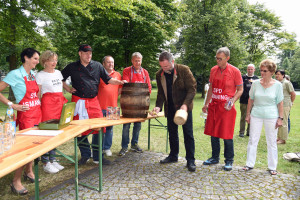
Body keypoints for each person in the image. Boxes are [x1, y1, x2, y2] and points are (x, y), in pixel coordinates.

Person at [62, 44, 124, 165]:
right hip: (78, 101)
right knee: (78, 129)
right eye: (86, 53)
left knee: (99, 128)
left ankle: (98, 156)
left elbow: (108, 79)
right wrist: (68, 88)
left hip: (94, 101)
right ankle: (85, 155)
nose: (89, 55)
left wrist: (120, 82)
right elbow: (60, 78)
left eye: (90, 53)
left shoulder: (97, 66)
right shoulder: (72, 66)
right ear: (80, 53)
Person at [0, 48, 42, 195]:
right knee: (25, 149)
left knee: (35, 146)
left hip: (38, 114)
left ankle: (29, 171)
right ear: (26, 58)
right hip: (26, 116)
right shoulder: (15, 74)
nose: (38, 61)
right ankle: (16, 181)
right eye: (35, 59)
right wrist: (12, 105)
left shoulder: (32, 74)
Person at [152, 51, 197, 172]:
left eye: (166, 66)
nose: (164, 69)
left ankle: (190, 160)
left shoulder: (183, 70)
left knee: (188, 134)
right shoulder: (159, 74)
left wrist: (185, 105)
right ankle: (173, 156)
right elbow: (161, 93)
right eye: (162, 66)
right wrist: (158, 106)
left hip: (183, 109)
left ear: (172, 61)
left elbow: (192, 89)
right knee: (172, 133)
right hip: (170, 107)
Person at [202, 47, 243, 171]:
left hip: (226, 108)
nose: (217, 61)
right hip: (214, 106)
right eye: (216, 58)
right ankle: (215, 157)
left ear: (227, 58)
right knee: (214, 133)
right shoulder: (213, 70)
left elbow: (240, 89)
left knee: (226, 134)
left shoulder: (235, 71)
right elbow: (211, 88)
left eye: (220, 59)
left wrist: (232, 101)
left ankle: (229, 160)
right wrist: (206, 103)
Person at [243, 59, 283, 175]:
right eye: (261, 70)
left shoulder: (278, 85)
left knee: (271, 141)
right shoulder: (255, 83)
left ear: (271, 71)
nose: (262, 73)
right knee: (252, 140)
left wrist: (280, 118)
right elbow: (251, 99)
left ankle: (272, 166)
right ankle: (249, 164)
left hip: (271, 116)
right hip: (256, 115)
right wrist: (248, 115)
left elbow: (280, 103)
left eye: (265, 71)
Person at [36, 50, 68, 173]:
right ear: (45, 61)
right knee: (47, 132)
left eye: (55, 60)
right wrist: (38, 105)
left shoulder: (59, 73)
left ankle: (53, 159)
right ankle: (45, 162)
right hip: (48, 104)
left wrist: (69, 90)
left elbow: (60, 87)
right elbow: (38, 92)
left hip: (59, 103)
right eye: (51, 60)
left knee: (56, 132)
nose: (54, 62)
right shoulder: (40, 75)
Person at [119, 52, 151, 156]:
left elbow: (149, 86)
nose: (137, 62)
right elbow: (127, 84)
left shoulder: (145, 72)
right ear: (132, 61)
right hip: (129, 102)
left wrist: (145, 95)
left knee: (138, 125)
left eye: (139, 60)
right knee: (126, 126)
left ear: (141, 61)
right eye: (135, 60)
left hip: (141, 103)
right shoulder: (127, 70)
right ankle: (124, 147)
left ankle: (134, 144)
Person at [97, 55, 122, 156]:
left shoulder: (118, 74)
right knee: (99, 129)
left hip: (113, 106)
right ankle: (98, 148)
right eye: (108, 62)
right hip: (99, 106)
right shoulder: (98, 74)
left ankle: (107, 148)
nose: (111, 64)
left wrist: (114, 95)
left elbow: (120, 88)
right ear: (103, 64)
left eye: (112, 62)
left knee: (110, 129)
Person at [275, 69, 296, 144]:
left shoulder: (287, 83)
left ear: (283, 75)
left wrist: (291, 103)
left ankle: (283, 139)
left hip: (285, 104)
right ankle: (279, 137)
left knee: (283, 122)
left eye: (278, 74)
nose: (277, 75)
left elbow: (293, 94)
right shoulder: (276, 83)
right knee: (278, 121)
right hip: (277, 105)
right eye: (276, 74)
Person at [239, 64, 259, 137]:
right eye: (249, 69)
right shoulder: (242, 77)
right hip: (244, 101)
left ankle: (249, 132)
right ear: (247, 69)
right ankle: (241, 132)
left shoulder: (257, 78)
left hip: (254, 101)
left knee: (252, 117)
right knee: (243, 117)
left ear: (254, 70)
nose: (250, 70)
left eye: (251, 69)